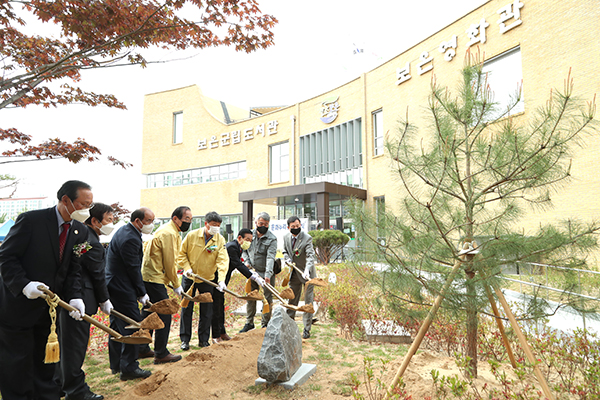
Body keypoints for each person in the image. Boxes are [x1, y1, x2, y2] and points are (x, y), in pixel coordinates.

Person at [0, 180, 92, 400]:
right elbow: (6, 257)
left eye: (90, 205)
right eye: (83, 204)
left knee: (45, 364)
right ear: (65, 200)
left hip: (47, 311)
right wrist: (23, 284)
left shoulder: (81, 231)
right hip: (17, 308)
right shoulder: (32, 220)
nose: (87, 210)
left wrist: (76, 296)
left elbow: (73, 269)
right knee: (17, 364)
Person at [56, 203, 115, 400]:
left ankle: (61, 385)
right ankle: (75, 390)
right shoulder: (91, 242)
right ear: (95, 221)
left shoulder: (82, 237)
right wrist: (104, 300)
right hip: (79, 300)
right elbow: (98, 274)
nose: (111, 224)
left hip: (69, 298)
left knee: (66, 345)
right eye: (108, 220)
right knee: (74, 347)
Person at [105, 207, 155, 381]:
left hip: (114, 284)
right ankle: (129, 367)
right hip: (121, 286)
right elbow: (133, 268)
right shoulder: (130, 238)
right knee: (133, 325)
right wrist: (142, 293)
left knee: (117, 326)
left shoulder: (126, 231)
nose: (151, 225)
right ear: (137, 221)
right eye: (148, 221)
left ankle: (116, 364)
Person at [139, 206, 191, 364]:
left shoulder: (170, 231)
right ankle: (161, 353)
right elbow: (169, 262)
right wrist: (176, 283)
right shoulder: (168, 233)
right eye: (186, 219)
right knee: (165, 313)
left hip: (151, 276)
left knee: (149, 312)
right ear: (175, 218)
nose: (188, 222)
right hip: (154, 278)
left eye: (190, 219)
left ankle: (141, 348)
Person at [178, 211, 229, 350]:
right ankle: (185, 340)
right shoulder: (192, 236)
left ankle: (203, 340)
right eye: (213, 225)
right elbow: (181, 254)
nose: (216, 228)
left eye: (218, 225)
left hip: (207, 279)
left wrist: (221, 280)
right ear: (206, 224)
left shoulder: (219, 239)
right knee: (186, 308)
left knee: (207, 311)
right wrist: (187, 268)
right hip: (190, 278)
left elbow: (223, 261)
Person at [211, 228, 265, 343]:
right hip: (216, 280)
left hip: (223, 281)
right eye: (247, 239)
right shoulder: (232, 247)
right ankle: (216, 336)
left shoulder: (238, 248)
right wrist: (252, 276)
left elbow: (239, 264)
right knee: (216, 307)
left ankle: (222, 332)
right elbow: (237, 264)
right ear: (239, 238)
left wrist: (252, 273)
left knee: (220, 306)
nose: (249, 242)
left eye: (251, 240)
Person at [239, 211, 278, 333]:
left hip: (266, 272)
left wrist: (268, 274)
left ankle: (265, 324)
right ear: (256, 223)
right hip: (251, 271)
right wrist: (246, 262)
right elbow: (244, 249)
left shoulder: (272, 238)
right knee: (251, 297)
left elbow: (270, 257)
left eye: (266, 224)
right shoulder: (249, 235)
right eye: (261, 223)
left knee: (267, 298)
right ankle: (249, 322)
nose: (263, 226)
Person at [282, 216, 316, 339]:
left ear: (300, 225)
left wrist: (307, 270)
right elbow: (285, 251)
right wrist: (287, 259)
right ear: (288, 227)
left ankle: (307, 329)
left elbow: (310, 256)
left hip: (307, 275)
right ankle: (289, 325)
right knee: (292, 298)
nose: (296, 228)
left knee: (308, 301)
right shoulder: (286, 237)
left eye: (298, 226)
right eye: (293, 227)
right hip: (294, 274)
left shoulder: (307, 238)